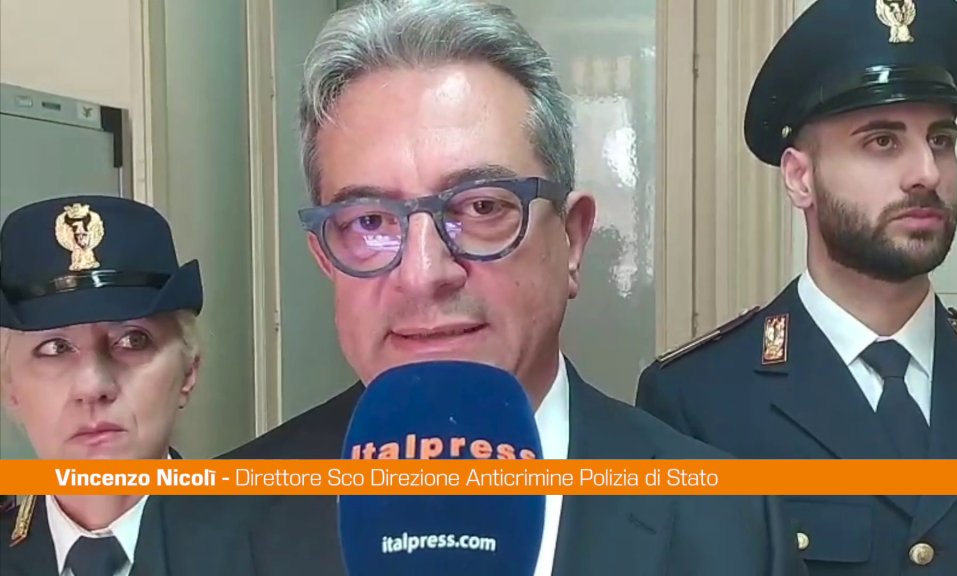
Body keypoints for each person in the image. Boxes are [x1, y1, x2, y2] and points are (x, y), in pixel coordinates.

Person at [202, 1, 806, 575]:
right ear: (325, 259)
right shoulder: (205, 527)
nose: (423, 273)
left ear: (572, 239)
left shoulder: (731, 526)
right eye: (370, 221)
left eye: (482, 207)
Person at [636, 0, 957, 574]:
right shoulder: (698, 402)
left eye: (941, 140)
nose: (927, 172)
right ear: (800, 178)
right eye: (882, 142)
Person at [0, 195, 204, 576]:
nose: (93, 386)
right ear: (9, 385)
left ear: (188, 371)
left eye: (132, 340)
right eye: (55, 348)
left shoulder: (266, 549)